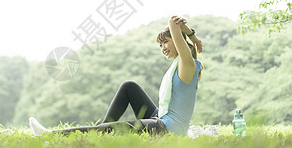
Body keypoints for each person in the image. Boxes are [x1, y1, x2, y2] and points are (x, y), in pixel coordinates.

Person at [29, 15, 203, 137]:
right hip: (162, 117)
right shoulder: (181, 63)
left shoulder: (187, 64)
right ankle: (100, 131)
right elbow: (175, 25)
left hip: (169, 129)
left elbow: (173, 22)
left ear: (178, 40)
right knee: (129, 87)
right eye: (160, 45)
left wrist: (192, 36)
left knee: (121, 128)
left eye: (166, 41)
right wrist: (192, 36)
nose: (163, 47)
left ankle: (50, 135)